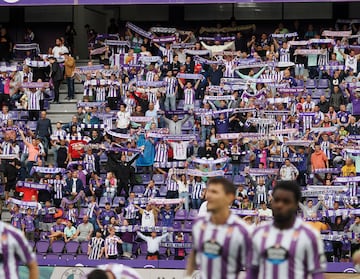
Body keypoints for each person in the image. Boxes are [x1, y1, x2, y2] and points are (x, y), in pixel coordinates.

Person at [248, 180, 326, 279]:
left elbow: (317, 273)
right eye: (277, 200)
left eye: (286, 201)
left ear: (295, 204)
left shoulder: (310, 235)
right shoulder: (258, 233)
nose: (280, 205)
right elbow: (252, 272)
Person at [186, 177, 251, 279]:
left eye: (215, 192)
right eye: (209, 191)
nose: (209, 196)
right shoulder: (199, 224)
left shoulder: (241, 230)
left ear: (229, 197)